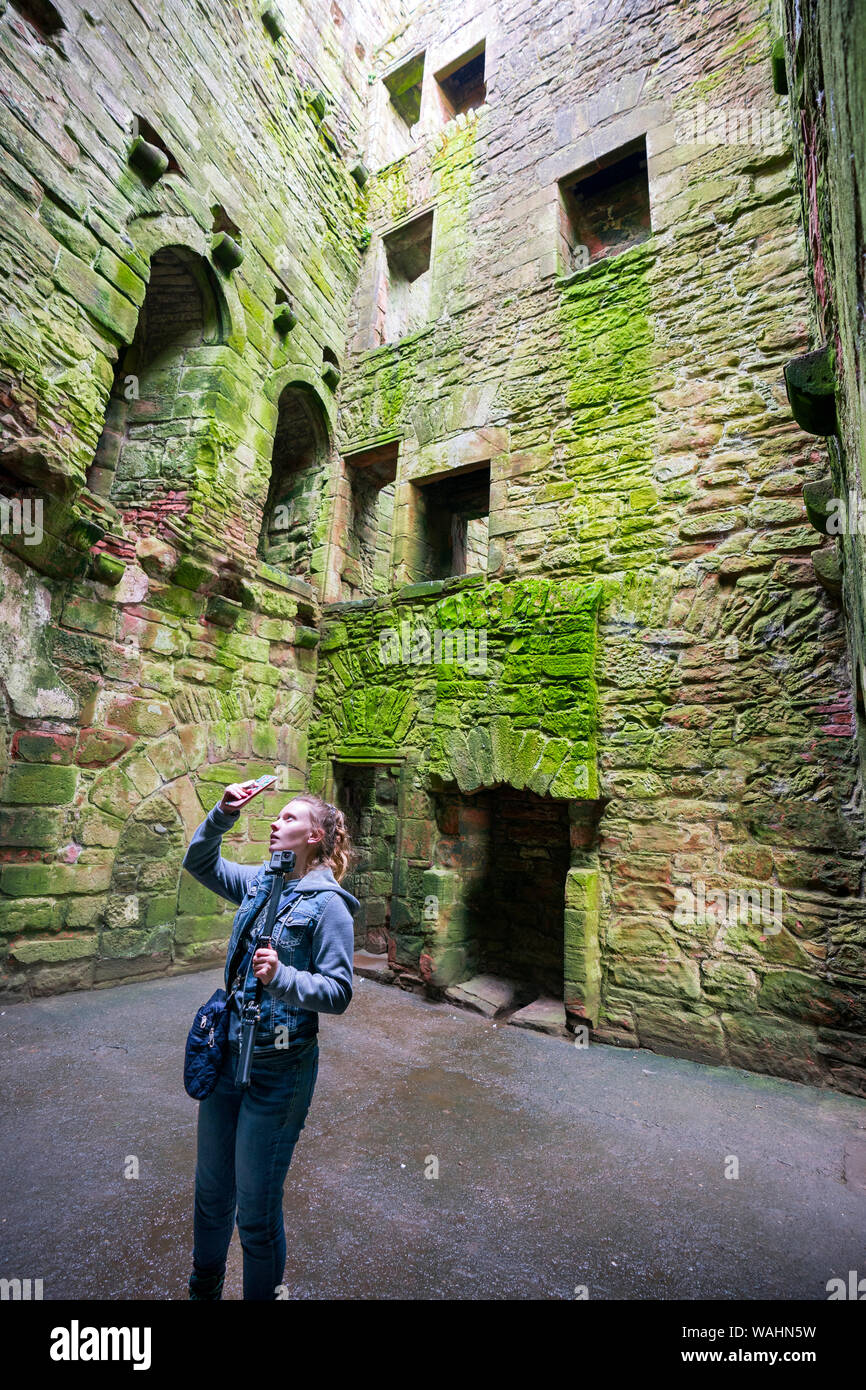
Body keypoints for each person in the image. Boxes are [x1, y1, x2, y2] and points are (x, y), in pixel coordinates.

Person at [182, 783, 359, 1300]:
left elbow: (338, 991)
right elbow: (201, 863)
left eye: (288, 817)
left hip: (279, 1071)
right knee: (212, 1196)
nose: (274, 823)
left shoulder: (330, 908)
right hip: (226, 1058)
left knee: (255, 1213)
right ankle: (204, 1290)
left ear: (315, 835)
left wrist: (283, 976)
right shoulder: (263, 881)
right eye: (275, 816)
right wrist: (221, 815)